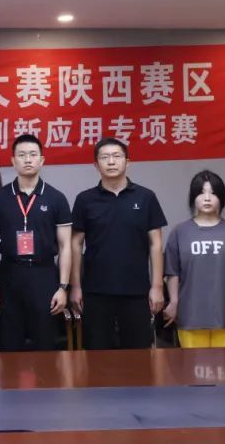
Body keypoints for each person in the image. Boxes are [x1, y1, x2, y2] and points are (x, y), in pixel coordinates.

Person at [70, 137, 167, 350]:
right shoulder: (85, 200)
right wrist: (75, 286)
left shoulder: (146, 197)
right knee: (97, 354)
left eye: (117, 156)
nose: (111, 162)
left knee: (138, 355)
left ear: (128, 162)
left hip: (136, 291)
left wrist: (157, 287)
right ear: (96, 165)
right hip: (95, 291)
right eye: (105, 157)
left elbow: (156, 244)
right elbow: (75, 245)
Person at [0, 134, 72, 351]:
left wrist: (63, 287)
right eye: (22, 155)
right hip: (9, 274)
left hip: (43, 274)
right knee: (9, 340)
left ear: (41, 160)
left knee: (45, 340)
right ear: (13, 161)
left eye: (33, 155)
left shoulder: (56, 198)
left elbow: (65, 247)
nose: (27, 160)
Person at [163, 171, 225, 348]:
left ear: (221, 198)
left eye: (213, 193)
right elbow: (172, 273)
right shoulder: (179, 232)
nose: (207, 198)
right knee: (193, 365)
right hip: (190, 316)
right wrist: (173, 303)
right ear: (193, 198)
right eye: (201, 192)